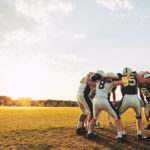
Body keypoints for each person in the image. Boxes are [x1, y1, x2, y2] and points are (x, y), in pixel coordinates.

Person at [85, 71, 127, 142]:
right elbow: (124, 82)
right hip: (104, 101)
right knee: (117, 117)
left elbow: (87, 82)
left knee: (94, 118)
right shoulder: (110, 82)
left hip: (95, 101)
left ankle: (89, 133)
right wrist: (127, 77)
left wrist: (88, 75)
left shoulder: (97, 82)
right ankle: (120, 136)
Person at [117, 67, 150, 141]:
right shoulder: (136, 76)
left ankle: (122, 133)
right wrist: (144, 73)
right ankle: (139, 135)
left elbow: (123, 84)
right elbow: (140, 78)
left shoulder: (122, 76)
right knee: (139, 117)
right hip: (135, 98)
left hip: (126, 97)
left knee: (116, 114)